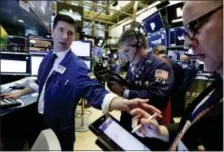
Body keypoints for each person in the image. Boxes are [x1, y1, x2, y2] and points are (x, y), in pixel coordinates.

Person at [0, 14, 161, 151]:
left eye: (70, 33)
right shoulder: (48, 57)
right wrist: (19, 92)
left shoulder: (76, 66)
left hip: (60, 130)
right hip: (39, 120)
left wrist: (124, 103)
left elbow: (95, 91)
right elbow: (40, 81)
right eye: (61, 30)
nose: (65, 37)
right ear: (52, 31)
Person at [131, 1, 223, 151]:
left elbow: (160, 93)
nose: (186, 44)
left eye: (194, 26)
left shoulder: (161, 65)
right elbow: (192, 127)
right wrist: (160, 132)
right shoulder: (218, 85)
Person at [108, 28, 175, 131]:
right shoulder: (133, 63)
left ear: (139, 45)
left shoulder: (160, 66)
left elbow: (158, 96)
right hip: (129, 116)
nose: (125, 56)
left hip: (148, 123)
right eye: (123, 53)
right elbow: (132, 85)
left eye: (127, 51)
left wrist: (124, 92)